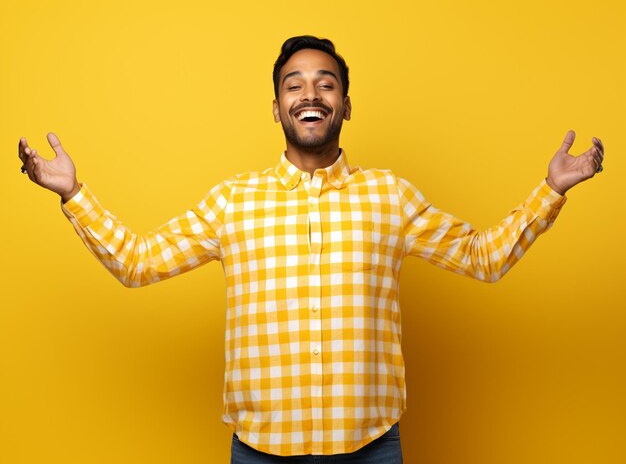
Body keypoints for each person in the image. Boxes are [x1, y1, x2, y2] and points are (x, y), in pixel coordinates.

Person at [18, 35, 604, 463]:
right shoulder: (232, 202)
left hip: (372, 447)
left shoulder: (390, 197)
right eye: (294, 84)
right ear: (277, 107)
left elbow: (482, 257)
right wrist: (74, 194)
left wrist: (551, 189)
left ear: (346, 104)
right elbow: (139, 262)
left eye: (327, 83)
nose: (311, 94)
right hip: (260, 452)